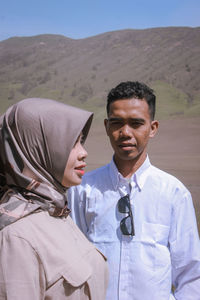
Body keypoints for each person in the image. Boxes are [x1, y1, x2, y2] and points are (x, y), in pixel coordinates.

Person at [68, 81, 200, 300]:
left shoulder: (173, 193)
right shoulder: (82, 191)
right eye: (116, 123)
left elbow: (190, 274)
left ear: (153, 128)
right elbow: (72, 261)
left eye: (136, 123)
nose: (125, 132)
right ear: (106, 126)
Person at [0, 98, 108, 300]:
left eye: (81, 141)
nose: (83, 153)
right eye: (71, 142)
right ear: (37, 149)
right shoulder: (17, 237)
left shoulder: (57, 212)